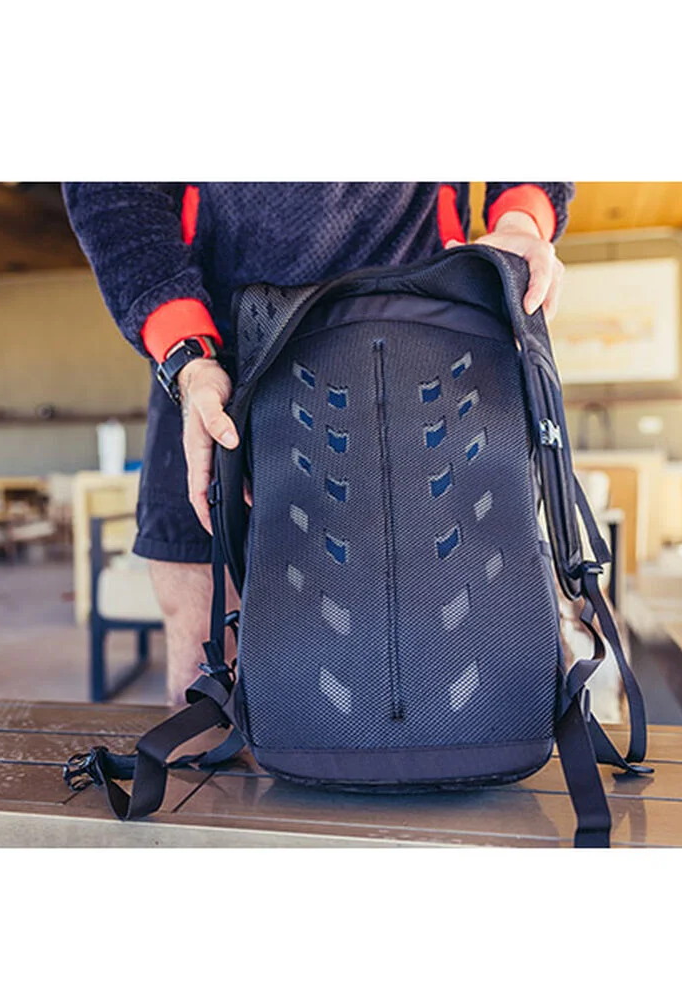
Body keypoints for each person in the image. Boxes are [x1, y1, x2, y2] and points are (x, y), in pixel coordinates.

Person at [64, 183, 574, 704]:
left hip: (417, 352)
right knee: (208, 674)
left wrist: (521, 219)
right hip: (219, 369)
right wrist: (185, 352)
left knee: (469, 663)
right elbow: (113, 189)